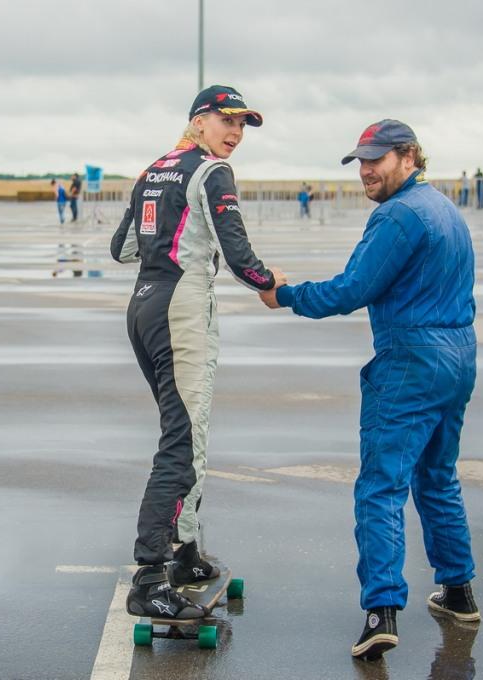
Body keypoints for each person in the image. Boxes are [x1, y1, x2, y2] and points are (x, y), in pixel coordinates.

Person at [260, 120, 480, 660]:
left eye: (375, 159)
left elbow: (352, 288)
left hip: (411, 360)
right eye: (360, 161)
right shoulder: (445, 209)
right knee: (437, 476)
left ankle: (381, 610)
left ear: (409, 156)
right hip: (458, 355)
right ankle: (458, 592)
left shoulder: (398, 215)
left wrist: (284, 294)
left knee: (381, 485)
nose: (365, 170)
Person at [110, 85, 285, 621]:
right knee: (182, 442)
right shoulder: (211, 171)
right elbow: (239, 256)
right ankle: (149, 576)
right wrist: (270, 282)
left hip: (143, 305)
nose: (235, 133)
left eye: (242, 125)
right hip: (181, 309)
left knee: (188, 430)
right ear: (199, 121)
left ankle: (184, 553)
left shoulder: (155, 169)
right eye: (227, 121)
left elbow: (122, 249)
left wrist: (167, 242)